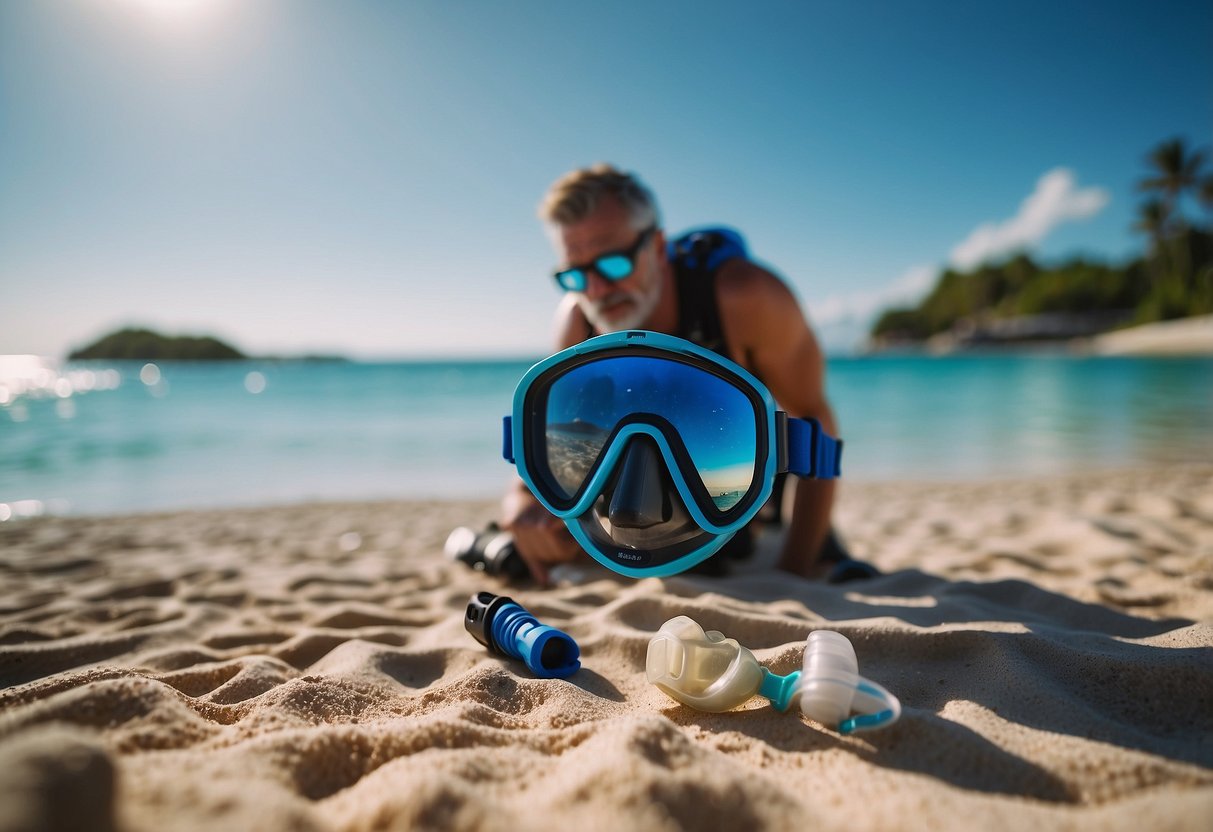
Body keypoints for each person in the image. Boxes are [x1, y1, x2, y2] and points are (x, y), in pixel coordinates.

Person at [502, 163, 846, 585]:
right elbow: (548, 427)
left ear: (658, 245)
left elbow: (814, 421)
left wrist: (794, 571)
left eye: (611, 265)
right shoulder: (578, 316)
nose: (595, 290)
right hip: (630, 483)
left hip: (740, 480)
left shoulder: (747, 297)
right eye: (575, 274)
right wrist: (520, 502)